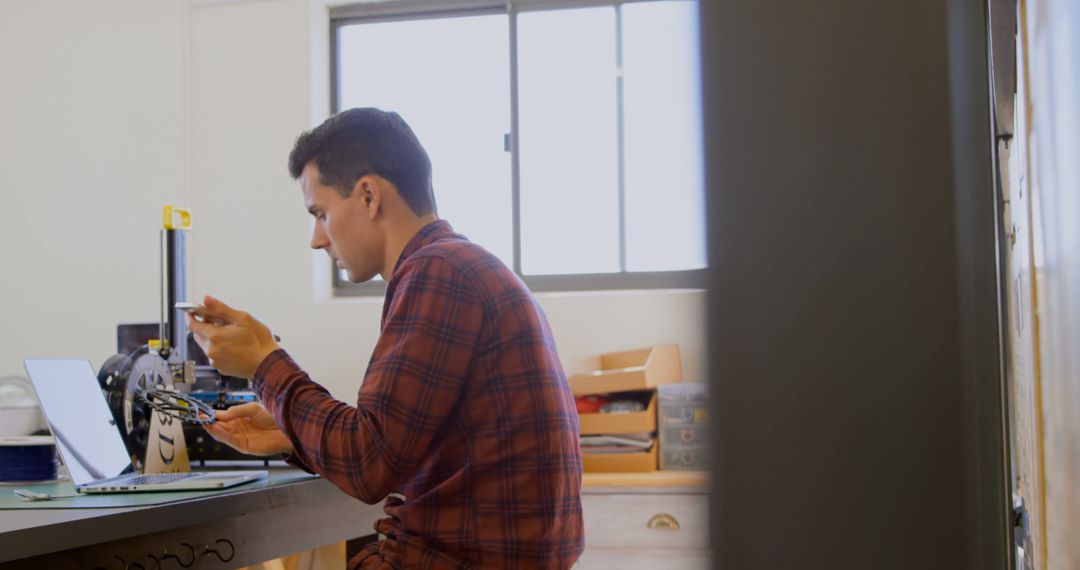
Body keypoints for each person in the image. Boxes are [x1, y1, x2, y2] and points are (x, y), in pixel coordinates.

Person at [187, 108, 584, 569]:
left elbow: (368, 464)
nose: (317, 239)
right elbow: (390, 445)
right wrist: (289, 433)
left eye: (320, 213)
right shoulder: (463, 266)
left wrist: (264, 364)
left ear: (369, 195)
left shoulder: (439, 273)